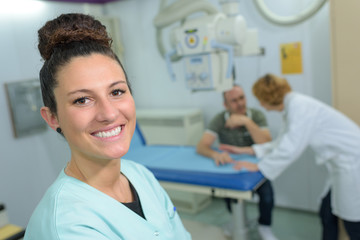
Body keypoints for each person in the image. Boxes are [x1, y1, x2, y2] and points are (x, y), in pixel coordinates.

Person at [24, 13, 190, 240]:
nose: (109, 113)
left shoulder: (139, 175)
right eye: (82, 100)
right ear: (53, 118)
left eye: (117, 92)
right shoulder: (68, 227)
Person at [231, 73, 360, 240]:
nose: (261, 104)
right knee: (327, 214)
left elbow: (290, 148)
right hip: (341, 166)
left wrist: (260, 167)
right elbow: (282, 142)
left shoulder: (299, 107)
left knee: (353, 222)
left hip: (353, 166)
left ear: (267, 98)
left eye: (260, 99)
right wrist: (250, 151)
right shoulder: (292, 107)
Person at [196, 84, 278, 240]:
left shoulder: (256, 115)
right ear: (225, 105)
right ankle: (238, 221)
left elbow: (266, 143)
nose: (240, 103)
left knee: (267, 196)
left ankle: (264, 226)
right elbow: (201, 146)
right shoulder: (220, 119)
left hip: (256, 166)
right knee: (230, 197)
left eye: (242, 98)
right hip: (232, 167)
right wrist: (215, 154)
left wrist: (246, 121)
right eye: (234, 101)